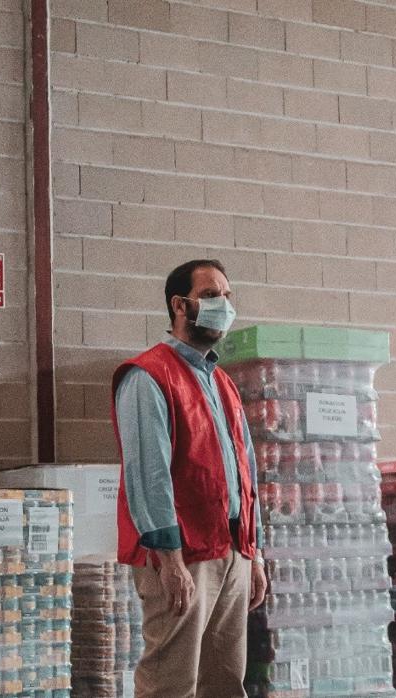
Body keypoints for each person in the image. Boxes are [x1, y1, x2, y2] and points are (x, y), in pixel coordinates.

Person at [111, 259, 266, 698]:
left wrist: (253, 553)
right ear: (181, 305)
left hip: (230, 550)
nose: (225, 305)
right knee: (171, 684)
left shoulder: (222, 382)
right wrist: (171, 560)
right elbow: (149, 476)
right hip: (183, 556)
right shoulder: (149, 376)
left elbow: (245, 473)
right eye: (213, 295)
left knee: (224, 681)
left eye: (228, 297)